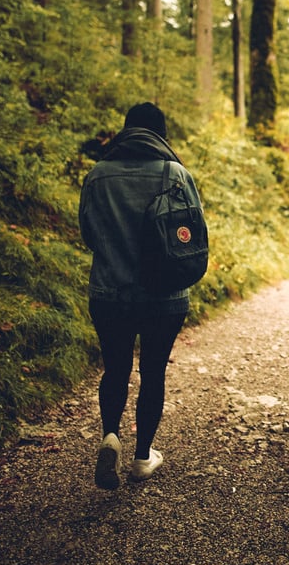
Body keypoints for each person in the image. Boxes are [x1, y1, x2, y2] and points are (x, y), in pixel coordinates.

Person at [79, 102, 199, 490]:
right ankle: (142, 456)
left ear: (126, 131)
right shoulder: (176, 174)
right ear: (161, 135)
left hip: (109, 292)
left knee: (115, 368)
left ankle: (111, 434)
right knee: (153, 372)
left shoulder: (98, 175)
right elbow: (193, 235)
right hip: (164, 297)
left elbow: (88, 235)